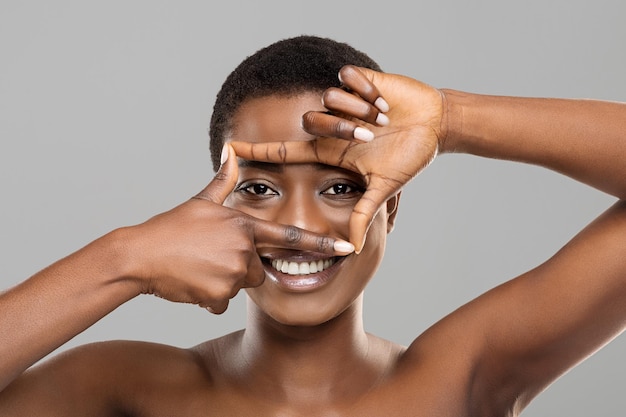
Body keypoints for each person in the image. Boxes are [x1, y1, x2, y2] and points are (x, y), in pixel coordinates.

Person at [0, 35, 624, 416]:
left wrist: (450, 119)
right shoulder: (123, 389)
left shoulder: (464, 379)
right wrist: (124, 258)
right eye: (258, 188)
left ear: (390, 209)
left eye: (340, 187)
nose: (297, 222)